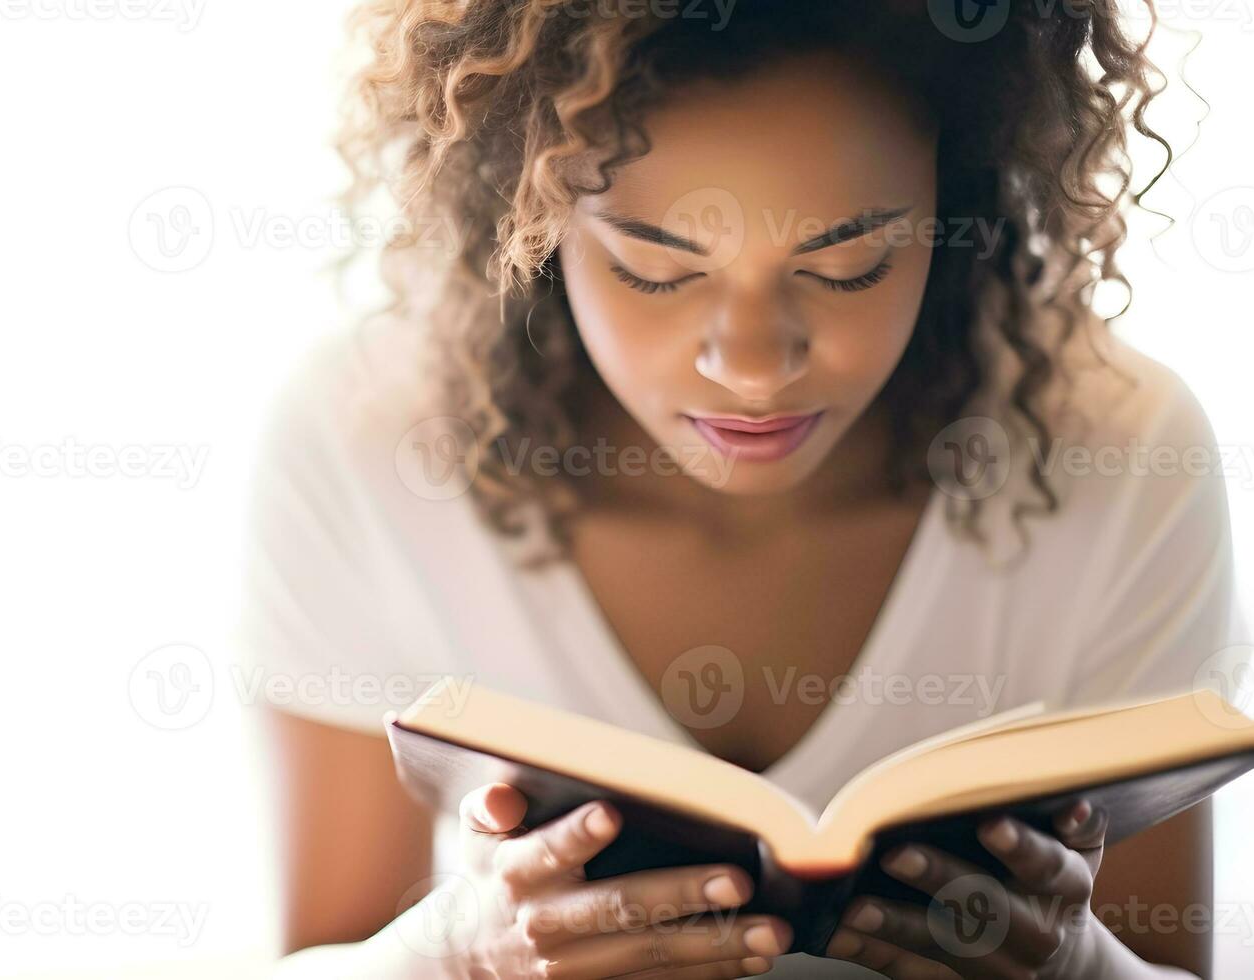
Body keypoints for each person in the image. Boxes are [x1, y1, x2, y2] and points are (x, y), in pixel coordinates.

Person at [234, 1, 1246, 976]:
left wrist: (1075, 966)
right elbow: (326, 949)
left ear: (959, 200)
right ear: (533, 215)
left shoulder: (1116, 456)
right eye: (653, 269)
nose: (754, 367)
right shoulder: (370, 443)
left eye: (850, 264)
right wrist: (453, 954)